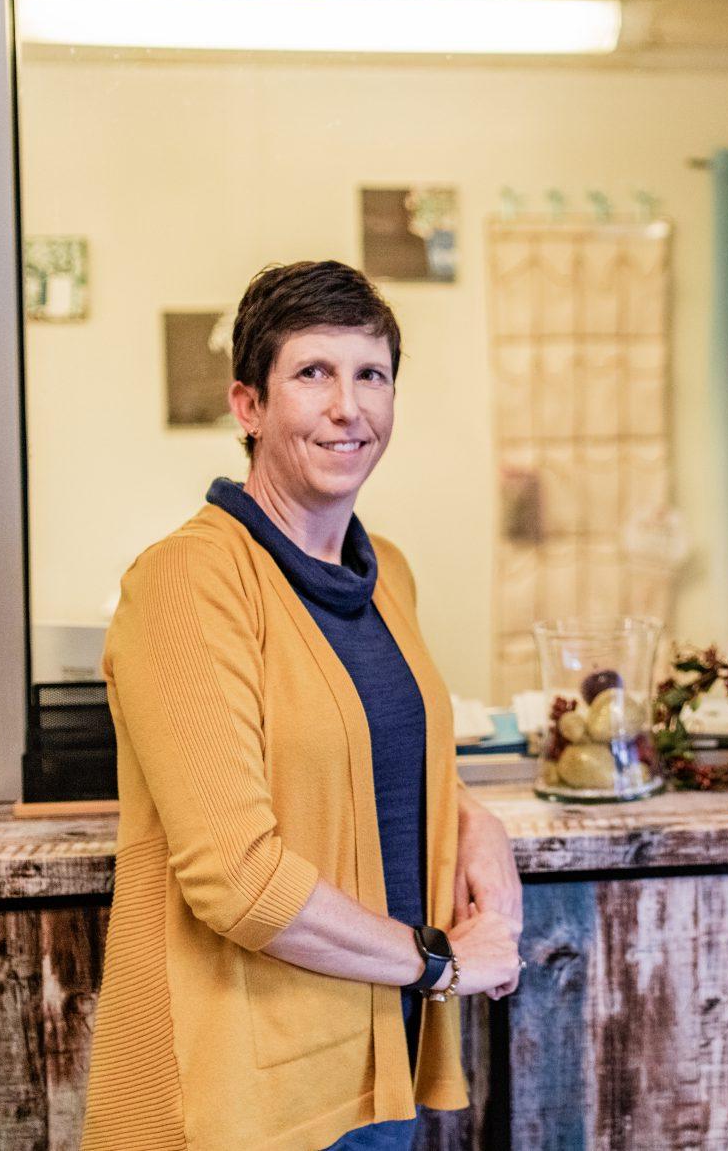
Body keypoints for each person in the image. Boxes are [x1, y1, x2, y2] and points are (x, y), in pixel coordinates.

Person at [81, 260, 523, 1150]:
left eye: (371, 375)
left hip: (374, 1061)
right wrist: (437, 962)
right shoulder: (187, 580)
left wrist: (479, 825)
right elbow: (236, 877)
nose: (346, 407)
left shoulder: (383, 571)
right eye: (313, 373)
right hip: (248, 1093)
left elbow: (377, 760)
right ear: (248, 406)